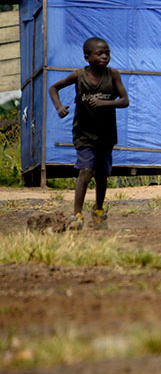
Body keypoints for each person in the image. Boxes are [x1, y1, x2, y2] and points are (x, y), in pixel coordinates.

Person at [48, 36, 129, 229]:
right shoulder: (78, 75)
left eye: (107, 53)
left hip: (106, 134)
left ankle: (98, 210)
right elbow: (53, 88)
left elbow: (125, 100)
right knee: (85, 170)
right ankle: (77, 214)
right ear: (87, 57)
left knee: (102, 175)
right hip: (83, 133)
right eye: (99, 53)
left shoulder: (113, 75)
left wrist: (106, 103)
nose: (104, 57)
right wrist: (59, 107)